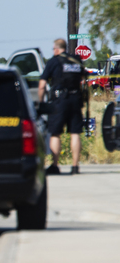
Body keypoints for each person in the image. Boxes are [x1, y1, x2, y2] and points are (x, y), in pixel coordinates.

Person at [38, 38, 87, 175]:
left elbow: (42, 85)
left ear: (57, 49)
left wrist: (41, 104)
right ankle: (75, 166)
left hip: (60, 101)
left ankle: (55, 165)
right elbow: (84, 80)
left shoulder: (54, 61)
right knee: (75, 133)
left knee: (55, 133)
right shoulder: (76, 61)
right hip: (76, 99)